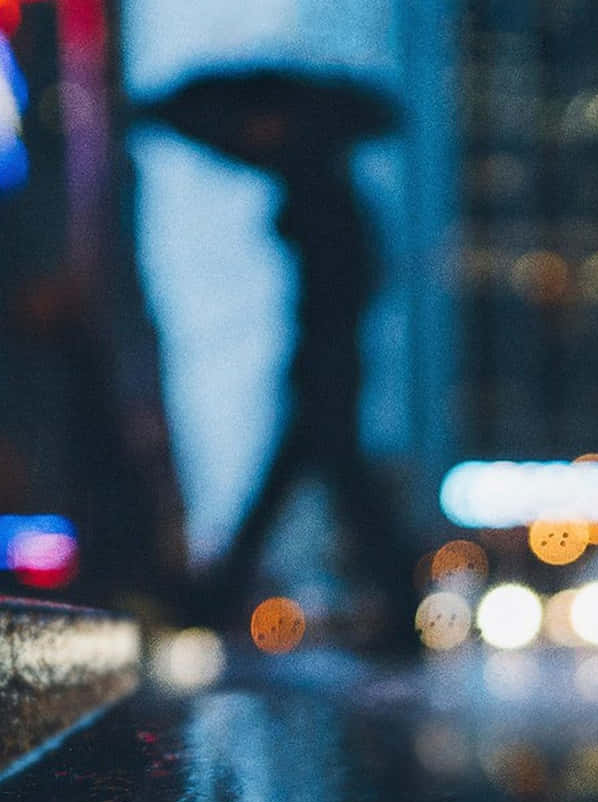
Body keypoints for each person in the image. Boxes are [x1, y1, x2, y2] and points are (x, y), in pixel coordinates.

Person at [129, 69, 418, 644]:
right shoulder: (319, 187)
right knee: (324, 487)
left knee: (325, 488)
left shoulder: (323, 194)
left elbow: (341, 295)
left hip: (325, 367)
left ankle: (216, 605)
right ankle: (219, 603)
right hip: (325, 365)